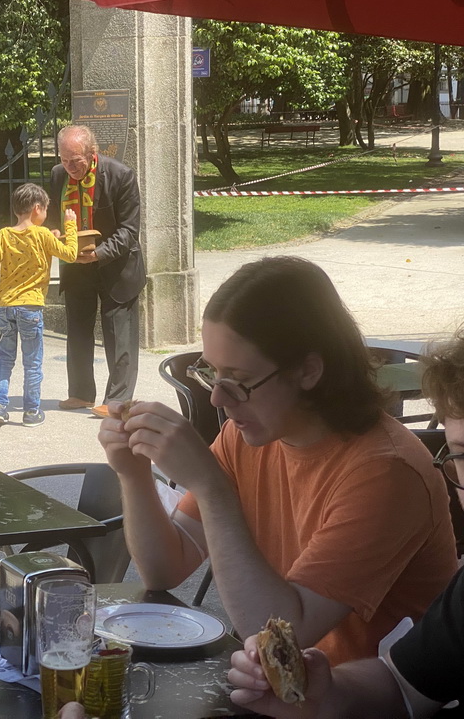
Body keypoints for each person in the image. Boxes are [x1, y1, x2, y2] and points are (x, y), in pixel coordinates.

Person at [98, 256, 457, 666]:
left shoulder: (385, 470)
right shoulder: (249, 433)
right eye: (211, 372)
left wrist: (211, 488)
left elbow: (281, 637)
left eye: (239, 380)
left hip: (364, 700)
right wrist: (134, 474)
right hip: (283, 692)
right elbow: (164, 570)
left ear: (308, 371)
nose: (217, 397)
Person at [227, 325, 464, 719]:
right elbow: (403, 683)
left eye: (242, 380)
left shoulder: (386, 468)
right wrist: (328, 692)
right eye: (462, 455)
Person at [50, 124, 145, 416]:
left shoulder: (121, 176)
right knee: (78, 331)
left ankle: (116, 401)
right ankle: (80, 393)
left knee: (119, 335)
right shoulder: (58, 175)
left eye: (75, 160)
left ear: (93, 153)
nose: (69, 167)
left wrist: (99, 253)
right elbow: (54, 214)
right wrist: (53, 232)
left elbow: (129, 231)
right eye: (64, 160)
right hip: (75, 264)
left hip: (116, 266)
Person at [0, 183, 78, 428]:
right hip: (31, 307)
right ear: (37, 208)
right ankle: (31, 411)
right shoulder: (43, 234)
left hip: (5, 306)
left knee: (4, 359)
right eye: (46, 209)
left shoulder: (4, 234)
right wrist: (70, 225)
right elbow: (70, 253)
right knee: (32, 362)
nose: (46, 214)